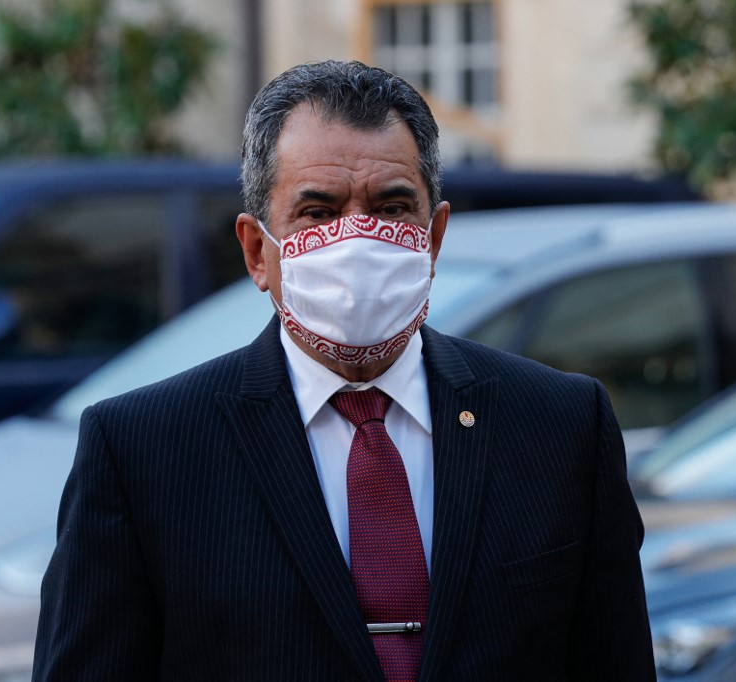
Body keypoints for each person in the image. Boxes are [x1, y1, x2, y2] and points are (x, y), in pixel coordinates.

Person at [33, 60, 655, 681]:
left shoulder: (561, 427)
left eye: (391, 206)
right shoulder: (143, 451)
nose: (358, 241)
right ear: (256, 251)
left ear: (434, 238)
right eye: (318, 212)